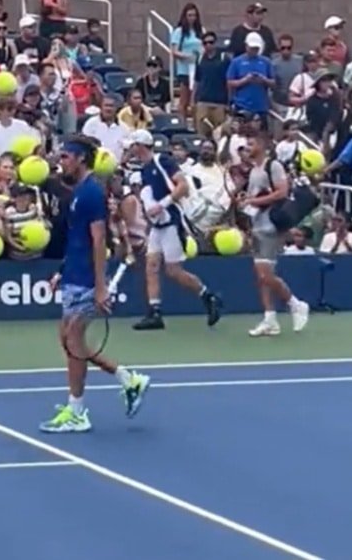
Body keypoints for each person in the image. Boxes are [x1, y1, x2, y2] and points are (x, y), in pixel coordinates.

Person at [40, 136, 149, 435]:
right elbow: (78, 241)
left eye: (65, 157)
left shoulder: (90, 194)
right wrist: (61, 271)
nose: (61, 161)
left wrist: (101, 287)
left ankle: (77, 412)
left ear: (80, 160)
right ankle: (128, 379)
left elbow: (99, 241)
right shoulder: (78, 193)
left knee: (73, 342)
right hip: (74, 274)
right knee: (69, 341)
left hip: (88, 279)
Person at [127, 130, 223, 331]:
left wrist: (162, 205)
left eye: (133, 145)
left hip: (172, 222)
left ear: (141, 145)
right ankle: (155, 313)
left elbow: (183, 187)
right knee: (151, 266)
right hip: (158, 226)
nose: (131, 149)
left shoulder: (163, 161)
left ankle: (209, 296)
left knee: (173, 271)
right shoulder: (145, 170)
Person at [242, 131, 311, 337]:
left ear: (262, 146)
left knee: (266, 274)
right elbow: (257, 197)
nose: (247, 147)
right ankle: (270, 319)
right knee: (261, 277)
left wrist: (253, 202)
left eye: (251, 143)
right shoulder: (254, 170)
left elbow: (282, 192)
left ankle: (296, 304)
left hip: (272, 226)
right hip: (257, 225)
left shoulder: (274, 165)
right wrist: (246, 201)